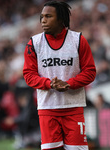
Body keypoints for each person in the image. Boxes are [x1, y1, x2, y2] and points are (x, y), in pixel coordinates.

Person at [23, 1, 96, 150]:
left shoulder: (78, 40)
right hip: (47, 109)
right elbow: (28, 75)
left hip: (73, 108)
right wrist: (49, 84)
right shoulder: (34, 43)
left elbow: (90, 71)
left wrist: (69, 84)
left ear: (61, 19)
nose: (43, 20)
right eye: (42, 16)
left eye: (48, 16)